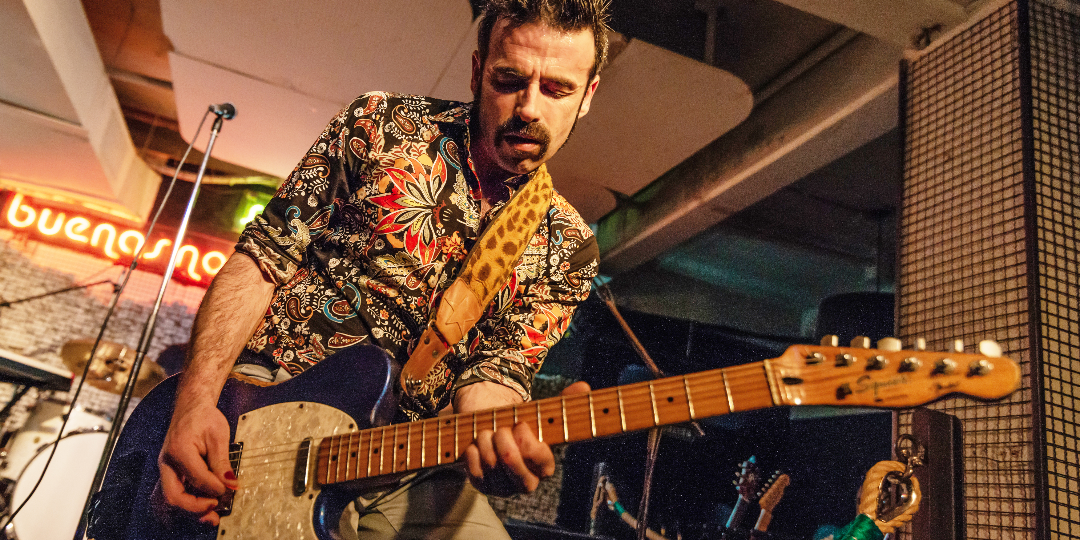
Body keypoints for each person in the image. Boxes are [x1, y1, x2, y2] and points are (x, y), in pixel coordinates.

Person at [156, 0, 610, 537]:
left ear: (588, 95)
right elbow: (261, 259)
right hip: (269, 408)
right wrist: (195, 403)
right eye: (508, 79)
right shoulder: (381, 126)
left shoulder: (570, 245)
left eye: (557, 89)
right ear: (475, 72)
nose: (529, 107)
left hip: (405, 457)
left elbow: (497, 372)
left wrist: (501, 442)